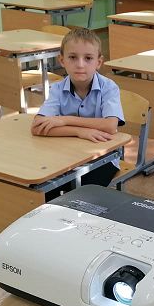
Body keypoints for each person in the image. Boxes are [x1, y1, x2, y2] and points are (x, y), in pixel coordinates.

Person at [31, 27, 124, 200]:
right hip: (65, 158)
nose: (80, 64)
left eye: (88, 58)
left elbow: (110, 126)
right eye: (73, 57)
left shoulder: (109, 87)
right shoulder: (58, 88)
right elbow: (38, 127)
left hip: (102, 159)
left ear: (99, 62)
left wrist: (64, 120)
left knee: (82, 195)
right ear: (62, 60)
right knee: (44, 191)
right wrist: (80, 132)